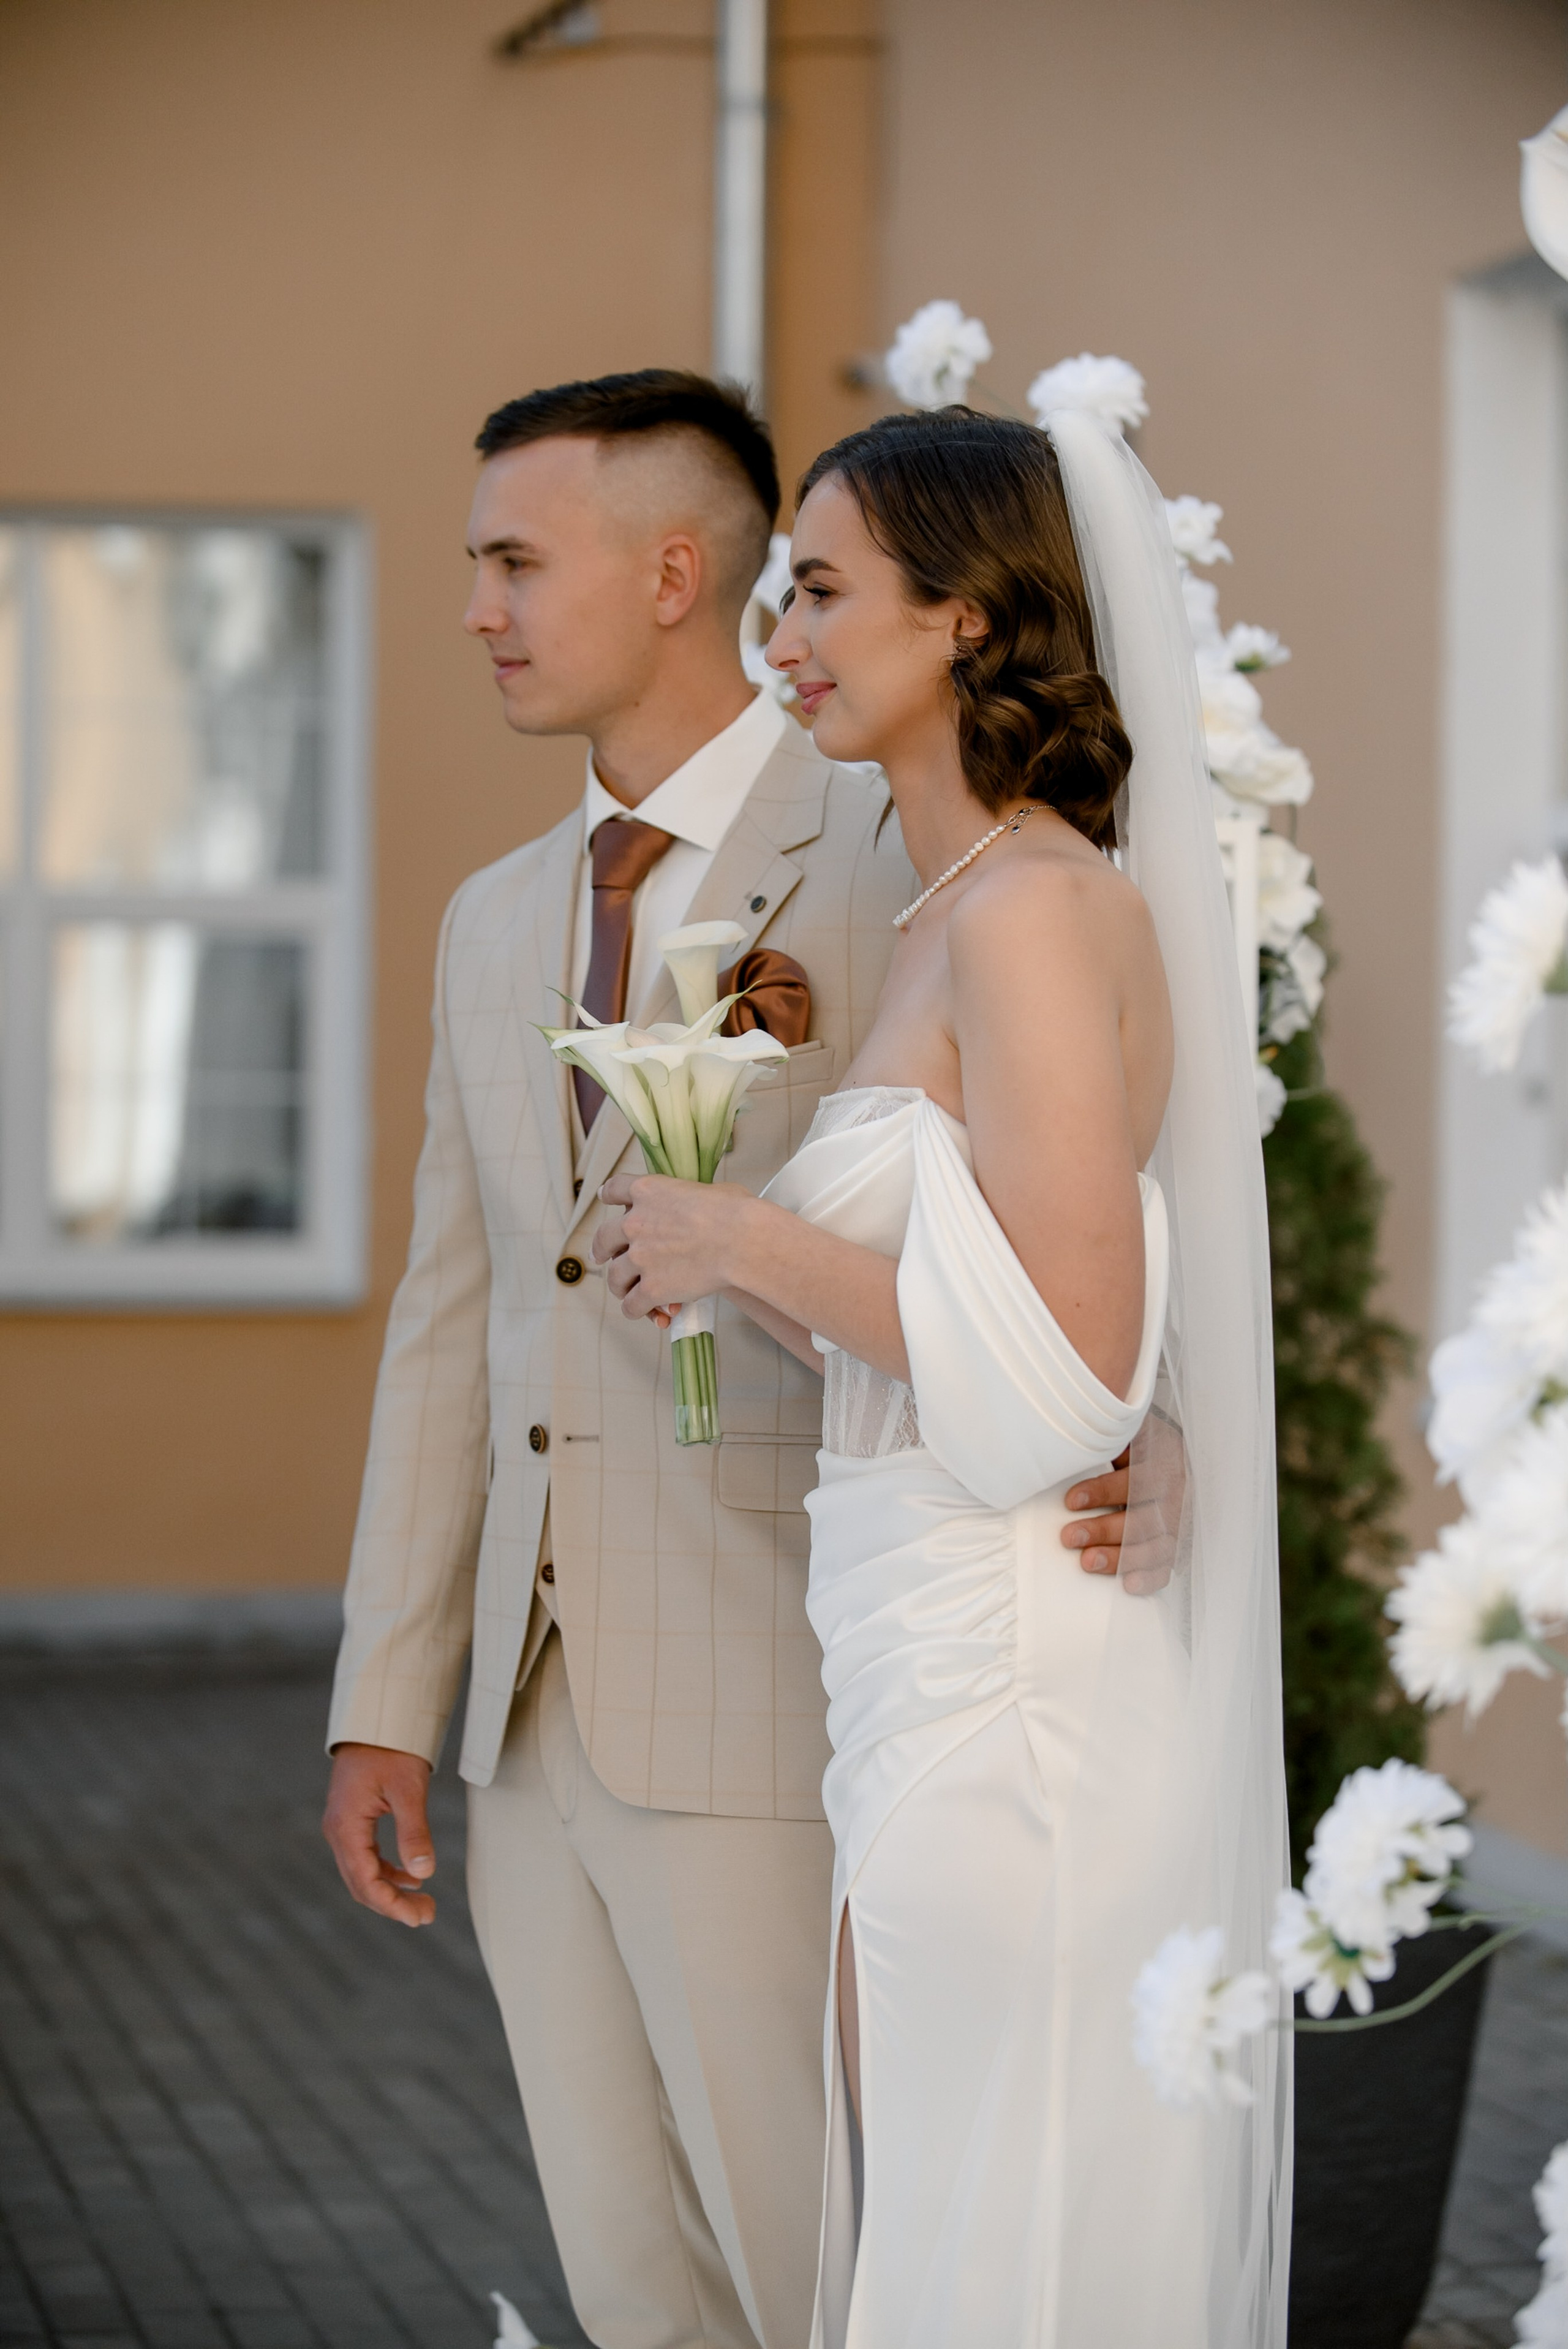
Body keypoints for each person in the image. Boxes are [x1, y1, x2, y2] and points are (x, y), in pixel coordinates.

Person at [320, 371, 1147, 2349]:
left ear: (673, 572)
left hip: (783, 1689)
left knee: (815, 2270)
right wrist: (384, 1693)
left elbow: (1092, 1182)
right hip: (527, 1731)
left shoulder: (902, 846)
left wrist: (1158, 1416)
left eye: (515, 562)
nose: (477, 610)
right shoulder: (489, 921)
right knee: (632, 2285)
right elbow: (455, 1314)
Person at [597, 404, 1289, 2347]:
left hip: (1014, 1679)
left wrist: (752, 1242)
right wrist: (732, 1269)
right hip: (916, 1658)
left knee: (1006, 2247)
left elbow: (1066, 1379)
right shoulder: (945, 909)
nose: (780, 639)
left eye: (821, 592)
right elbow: (958, 1319)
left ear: (969, 617)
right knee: (941, 2217)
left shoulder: (1042, 912)